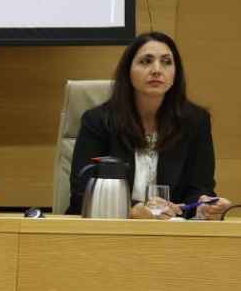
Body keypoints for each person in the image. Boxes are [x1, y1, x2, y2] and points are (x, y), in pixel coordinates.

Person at [68, 31, 230, 219]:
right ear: (128, 70)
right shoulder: (99, 121)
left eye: (166, 62)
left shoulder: (195, 122)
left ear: (175, 73)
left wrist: (203, 206)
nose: (157, 69)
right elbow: (81, 193)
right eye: (146, 61)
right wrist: (129, 210)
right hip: (108, 228)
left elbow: (199, 188)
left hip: (169, 232)